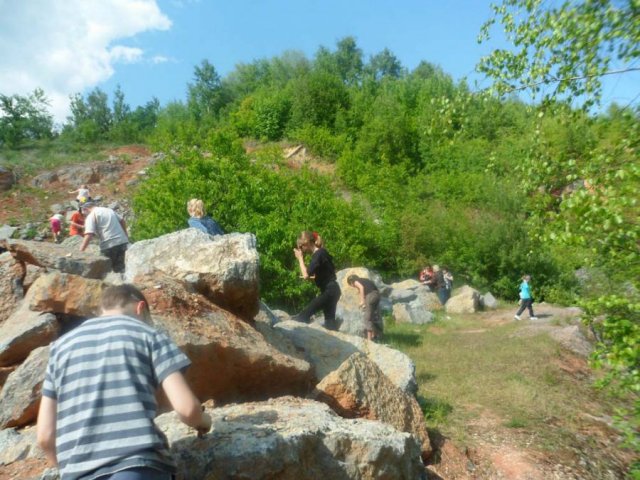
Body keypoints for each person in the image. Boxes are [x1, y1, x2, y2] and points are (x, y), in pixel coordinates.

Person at [37, 284, 212, 480]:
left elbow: (45, 437)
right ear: (140, 308)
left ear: (102, 310)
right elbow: (187, 409)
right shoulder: (147, 334)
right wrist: (204, 421)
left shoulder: (59, 348)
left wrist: (71, 469)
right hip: (136, 467)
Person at [293, 231, 341, 331]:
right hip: (333, 290)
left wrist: (300, 258)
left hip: (329, 290)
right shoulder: (322, 253)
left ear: (306, 243)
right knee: (330, 323)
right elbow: (326, 273)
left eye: (301, 246)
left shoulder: (318, 254)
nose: (301, 249)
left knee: (304, 315)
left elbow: (305, 275)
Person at [80, 201, 129, 273]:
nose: (84, 215)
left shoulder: (91, 216)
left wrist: (81, 251)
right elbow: (122, 221)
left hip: (108, 246)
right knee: (122, 268)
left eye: (83, 213)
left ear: (85, 209)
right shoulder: (109, 210)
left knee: (107, 271)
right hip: (122, 242)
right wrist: (125, 236)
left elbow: (89, 234)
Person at [347, 274, 382, 341]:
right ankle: (374, 335)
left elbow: (361, 288)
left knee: (367, 318)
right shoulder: (365, 280)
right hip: (377, 295)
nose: (353, 286)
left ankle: (369, 340)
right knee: (373, 316)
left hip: (371, 296)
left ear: (351, 282)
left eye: (351, 285)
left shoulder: (355, 281)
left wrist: (362, 301)